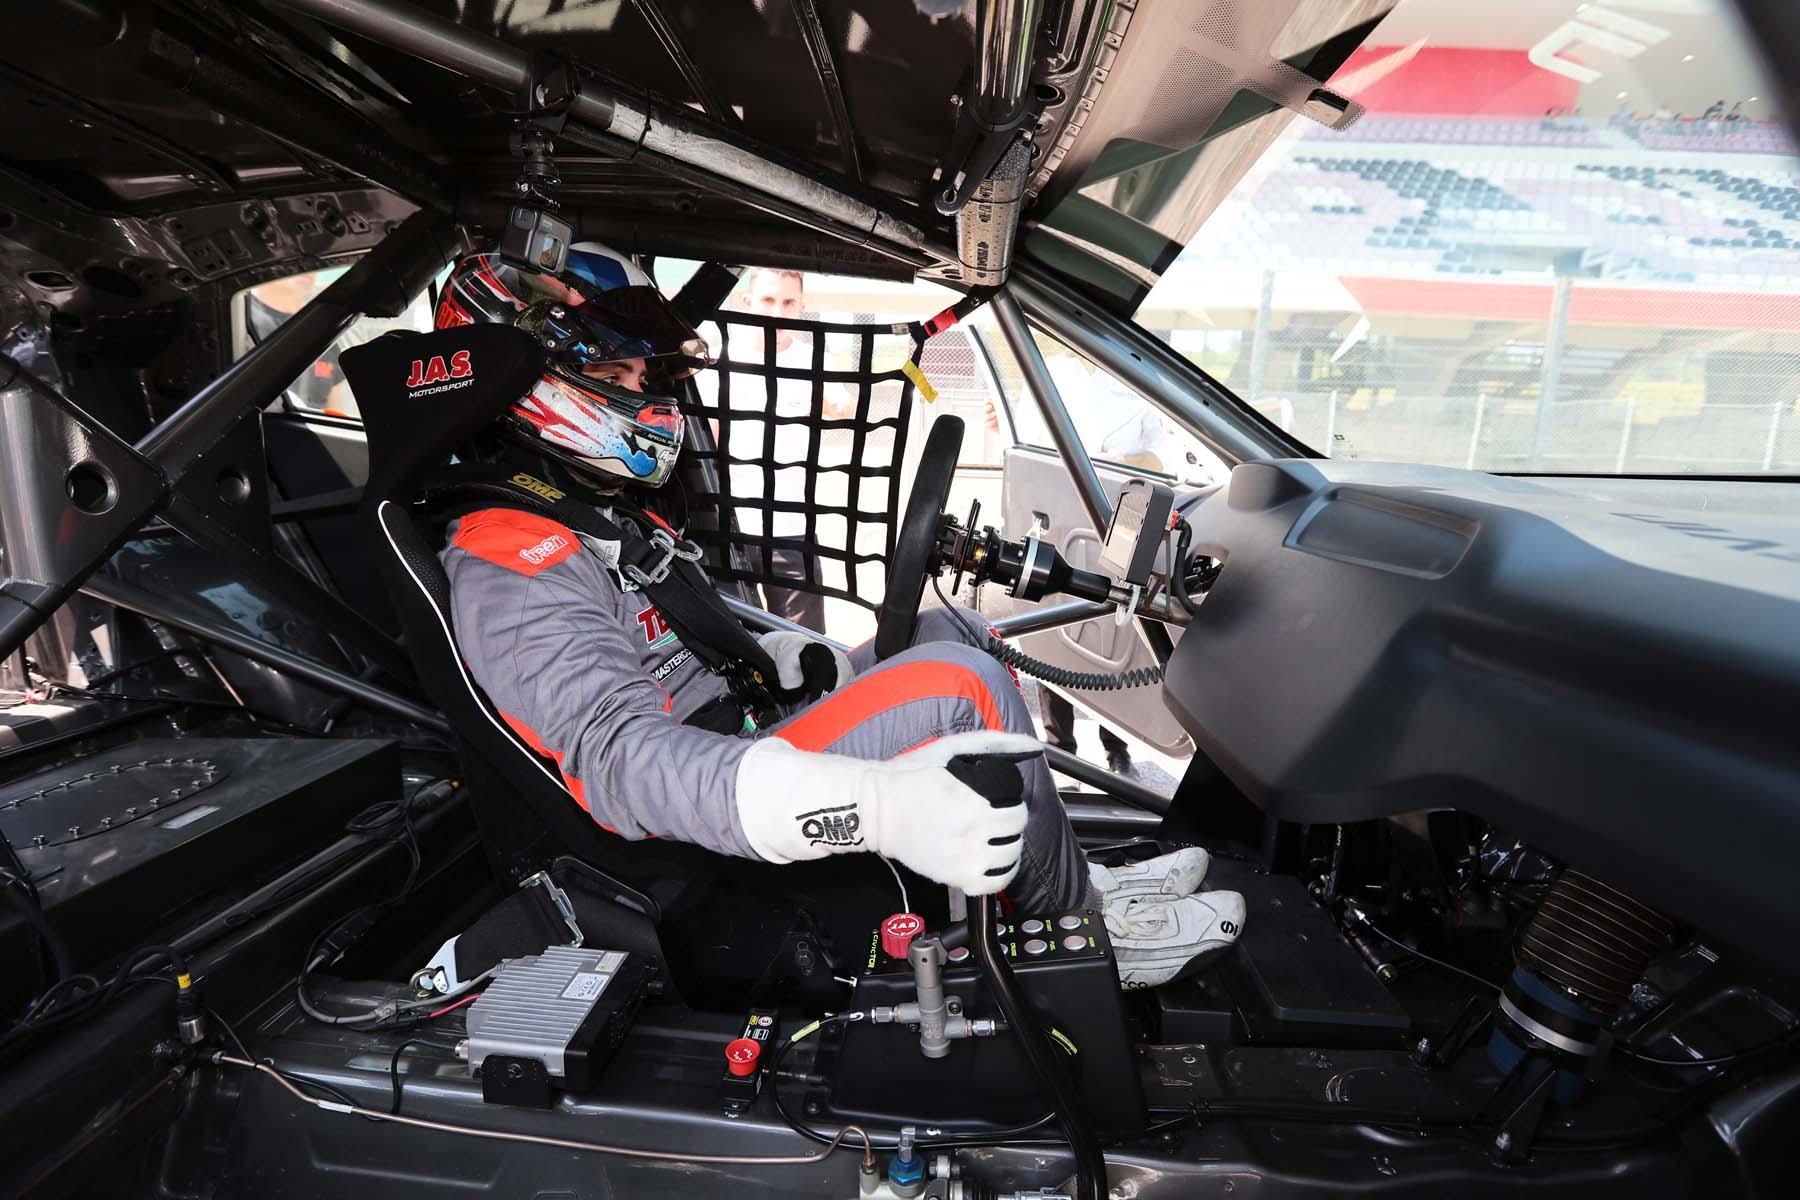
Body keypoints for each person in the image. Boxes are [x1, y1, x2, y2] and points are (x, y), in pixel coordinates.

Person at [429, 243, 1243, 988]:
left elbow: (664, 629)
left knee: (951, 631)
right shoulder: (511, 561)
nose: (647, 395)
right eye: (623, 375)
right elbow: (618, 763)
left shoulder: (581, 510)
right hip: (705, 807)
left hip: (743, 728)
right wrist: (873, 804)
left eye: (644, 375)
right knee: (960, 685)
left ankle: (1066, 878)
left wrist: (778, 656)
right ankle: (1084, 934)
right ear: (540, 383)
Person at [702, 268, 856, 634]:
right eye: (768, 300)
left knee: (804, 643)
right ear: (747, 302)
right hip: (729, 527)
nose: (777, 311)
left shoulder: (814, 360)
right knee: (733, 638)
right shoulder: (721, 359)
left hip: (791, 528)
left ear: (801, 306)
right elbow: (707, 441)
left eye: (788, 302)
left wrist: (827, 407)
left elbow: (845, 408)